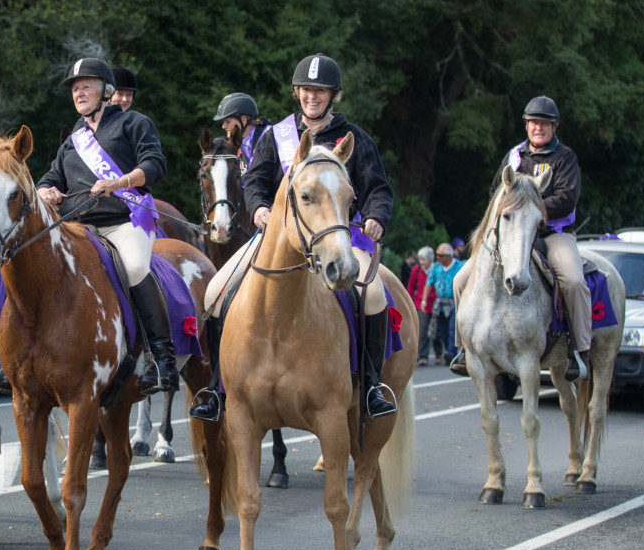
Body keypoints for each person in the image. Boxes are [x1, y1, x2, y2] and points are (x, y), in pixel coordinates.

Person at [191, 53, 396, 420]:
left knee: (374, 293)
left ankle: (371, 385)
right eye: (305, 90)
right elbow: (254, 180)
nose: (311, 98)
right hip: (278, 237)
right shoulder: (276, 136)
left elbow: (377, 188)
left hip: (335, 237)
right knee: (215, 291)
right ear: (297, 92)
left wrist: (377, 216)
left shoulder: (355, 140)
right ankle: (217, 387)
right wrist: (257, 209)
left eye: (320, 92)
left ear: (333, 95)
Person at [37, 57, 177, 395]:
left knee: (134, 267)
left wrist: (120, 181)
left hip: (124, 222)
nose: (79, 92)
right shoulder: (73, 139)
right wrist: (46, 191)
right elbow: (50, 176)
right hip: (78, 228)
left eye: (86, 85)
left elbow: (155, 164)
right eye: (74, 87)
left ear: (106, 90)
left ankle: (162, 360)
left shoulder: (134, 123)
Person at [449, 95, 590, 380]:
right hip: (511, 236)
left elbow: (567, 198)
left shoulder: (565, 158)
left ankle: (579, 349)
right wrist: (513, 216)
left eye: (545, 124)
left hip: (553, 234)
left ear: (554, 127)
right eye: (534, 123)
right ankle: (464, 348)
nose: (539, 128)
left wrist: (530, 212)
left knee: (574, 281)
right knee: (460, 280)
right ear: (527, 126)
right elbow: (495, 194)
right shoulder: (514, 156)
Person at [421, 243, 461, 364]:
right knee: (442, 330)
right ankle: (448, 351)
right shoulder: (436, 267)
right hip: (441, 303)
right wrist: (424, 300)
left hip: (454, 302)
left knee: (452, 329)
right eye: (437, 255)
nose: (437, 257)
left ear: (449, 256)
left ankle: (451, 353)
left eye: (440, 255)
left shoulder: (459, 266)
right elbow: (429, 283)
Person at [212, 92, 272, 172]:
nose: (223, 126)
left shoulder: (270, 136)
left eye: (228, 122)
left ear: (243, 120)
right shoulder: (235, 145)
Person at [408, 246, 436, 365]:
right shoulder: (417, 269)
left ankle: (439, 353)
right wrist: (408, 301)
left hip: (436, 303)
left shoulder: (436, 269)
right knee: (422, 330)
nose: (422, 262)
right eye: (420, 259)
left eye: (424, 259)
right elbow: (411, 286)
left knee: (437, 331)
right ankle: (423, 355)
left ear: (430, 260)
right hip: (421, 303)